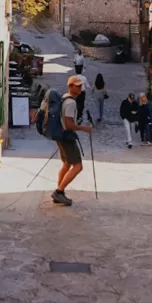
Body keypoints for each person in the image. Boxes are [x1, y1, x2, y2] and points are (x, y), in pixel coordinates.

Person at [52, 75, 92, 206]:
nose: (80, 87)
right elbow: (69, 124)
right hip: (67, 137)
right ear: (70, 86)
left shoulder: (64, 98)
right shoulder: (71, 103)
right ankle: (59, 191)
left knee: (66, 165)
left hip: (60, 136)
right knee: (78, 166)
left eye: (81, 85)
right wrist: (84, 128)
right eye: (77, 85)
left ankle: (59, 193)